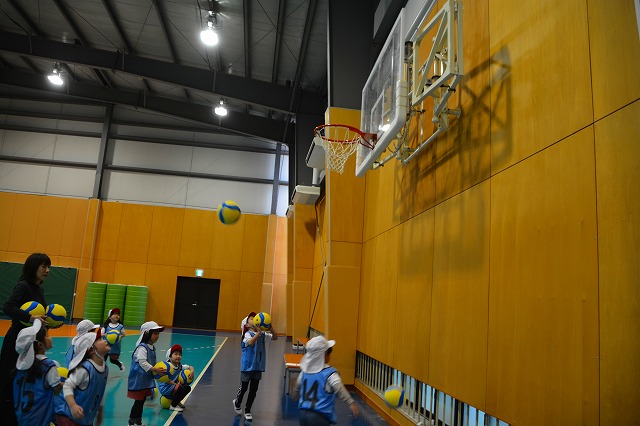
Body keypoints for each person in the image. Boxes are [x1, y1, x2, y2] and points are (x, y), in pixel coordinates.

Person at [0, 253, 52, 426]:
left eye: (48, 267)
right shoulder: (23, 286)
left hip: (32, 343)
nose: (47, 270)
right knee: (9, 381)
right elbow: (8, 307)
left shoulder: (39, 290)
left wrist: (47, 324)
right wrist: (30, 318)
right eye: (43, 266)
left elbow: (37, 317)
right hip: (17, 341)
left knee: (25, 381)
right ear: (33, 267)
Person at [296, 336, 359, 425]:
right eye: (329, 353)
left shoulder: (304, 371)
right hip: (320, 417)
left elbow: (297, 387)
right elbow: (339, 388)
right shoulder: (330, 373)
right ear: (325, 354)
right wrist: (351, 402)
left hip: (302, 414)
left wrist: (295, 396)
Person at [55, 329, 110, 426]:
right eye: (99, 340)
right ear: (91, 350)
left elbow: (100, 391)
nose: (104, 340)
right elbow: (67, 386)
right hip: (67, 415)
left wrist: (100, 411)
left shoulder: (105, 368)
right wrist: (73, 406)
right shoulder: (85, 368)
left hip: (83, 417)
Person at [13, 320, 63, 426]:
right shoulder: (48, 365)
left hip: (23, 418)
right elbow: (57, 388)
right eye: (47, 335)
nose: (51, 338)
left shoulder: (21, 367)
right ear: (40, 345)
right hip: (39, 418)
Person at [232, 311, 278, 421]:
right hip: (247, 366)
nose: (254, 319)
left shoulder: (263, 335)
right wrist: (258, 333)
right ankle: (237, 402)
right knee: (243, 388)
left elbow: (275, 337)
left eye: (255, 317)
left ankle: (247, 410)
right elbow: (251, 342)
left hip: (258, 366)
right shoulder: (247, 335)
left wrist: (270, 328)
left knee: (253, 389)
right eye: (251, 318)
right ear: (247, 325)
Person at [127, 321, 164, 426]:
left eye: (158, 333)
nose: (157, 336)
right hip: (138, 379)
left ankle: (138, 422)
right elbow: (142, 362)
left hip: (145, 379)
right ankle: (131, 422)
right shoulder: (142, 347)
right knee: (138, 402)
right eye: (155, 333)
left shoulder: (151, 347)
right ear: (147, 334)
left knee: (141, 401)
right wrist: (154, 369)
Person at [157, 344, 194, 412]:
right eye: (175, 354)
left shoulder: (179, 365)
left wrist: (192, 371)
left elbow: (190, 367)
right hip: (165, 387)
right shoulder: (167, 366)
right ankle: (172, 406)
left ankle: (177, 401)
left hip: (172, 386)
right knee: (181, 388)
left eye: (180, 354)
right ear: (170, 356)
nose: (178, 356)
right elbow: (166, 380)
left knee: (188, 388)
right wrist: (175, 384)